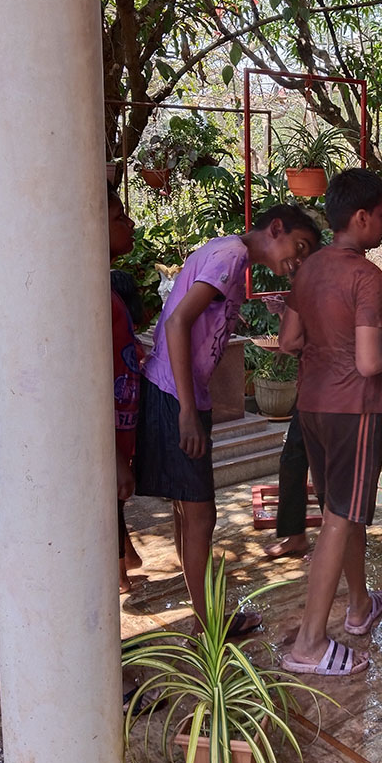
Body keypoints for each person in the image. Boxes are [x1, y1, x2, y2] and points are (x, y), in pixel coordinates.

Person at [135, 203, 321, 634]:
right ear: (276, 228)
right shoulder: (232, 256)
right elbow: (179, 322)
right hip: (172, 393)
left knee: (190, 512)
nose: (298, 259)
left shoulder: (229, 257)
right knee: (200, 515)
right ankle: (207, 622)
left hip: (177, 391)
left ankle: (206, 616)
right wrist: (186, 409)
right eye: (300, 246)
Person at [279, 169, 382, 676]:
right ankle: (310, 643)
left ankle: (359, 605)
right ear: (361, 217)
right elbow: (368, 362)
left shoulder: (309, 267)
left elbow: (291, 340)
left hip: (312, 405)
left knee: (343, 507)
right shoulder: (366, 274)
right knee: (340, 516)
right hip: (353, 408)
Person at [107, 186, 142, 593]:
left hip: (122, 425)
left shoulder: (111, 291)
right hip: (110, 434)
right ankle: (117, 572)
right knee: (108, 497)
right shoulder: (93, 295)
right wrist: (114, 455)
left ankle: (125, 555)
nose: (130, 224)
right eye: (119, 218)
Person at [260, 293, 313, 560]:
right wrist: (284, 312)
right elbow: (294, 343)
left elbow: (293, 343)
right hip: (309, 397)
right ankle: (296, 537)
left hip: (336, 400)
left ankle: (337, 543)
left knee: (329, 473)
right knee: (292, 462)